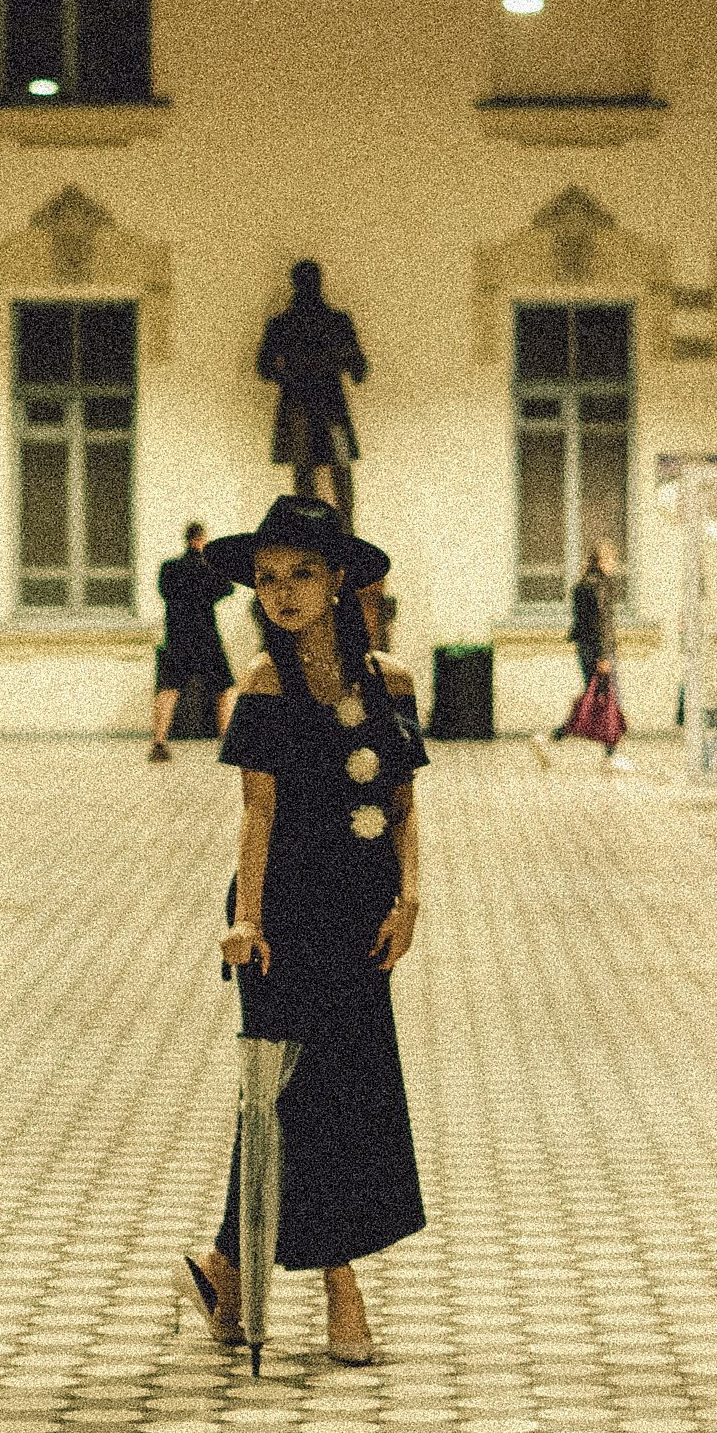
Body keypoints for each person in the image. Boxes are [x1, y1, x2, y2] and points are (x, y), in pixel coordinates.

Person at [179, 494, 425, 1366]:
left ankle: (225, 1269)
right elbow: (257, 809)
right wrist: (245, 918)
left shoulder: (391, 681)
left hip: (362, 913)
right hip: (281, 914)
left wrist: (409, 899)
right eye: (268, 577)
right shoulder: (264, 683)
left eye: (302, 574)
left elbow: (402, 803)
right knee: (299, 1093)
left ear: (337, 582)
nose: (282, 592)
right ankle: (339, 1286)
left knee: (328, 1091)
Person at [256, 259, 368, 526]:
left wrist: (294, 370)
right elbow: (265, 367)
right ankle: (326, 533)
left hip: (316, 405)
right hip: (319, 406)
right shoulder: (325, 322)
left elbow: (358, 367)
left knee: (325, 474)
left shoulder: (287, 324)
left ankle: (330, 533)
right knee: (316, 474)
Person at [150, 519, 236, 760]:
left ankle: (159, 742)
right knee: (224, 688)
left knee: (169, 689)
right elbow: (227, 588)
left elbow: (164, 591)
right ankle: (226, 741)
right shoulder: (209, 568)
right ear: (200, 540)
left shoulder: (169, 568)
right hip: (206, 637)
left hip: (177, 637)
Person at [554, 538, 629, 766]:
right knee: (608, 701)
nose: (613, 565)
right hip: (600, 652)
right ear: (601, 561)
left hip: (585, 650)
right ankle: (609, 754)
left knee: (596, 700)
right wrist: (604, 656)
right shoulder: (600, 586)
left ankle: (556, 737)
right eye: (610, 560)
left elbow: (581, 623)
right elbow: (602, 623)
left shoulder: (582, 585)